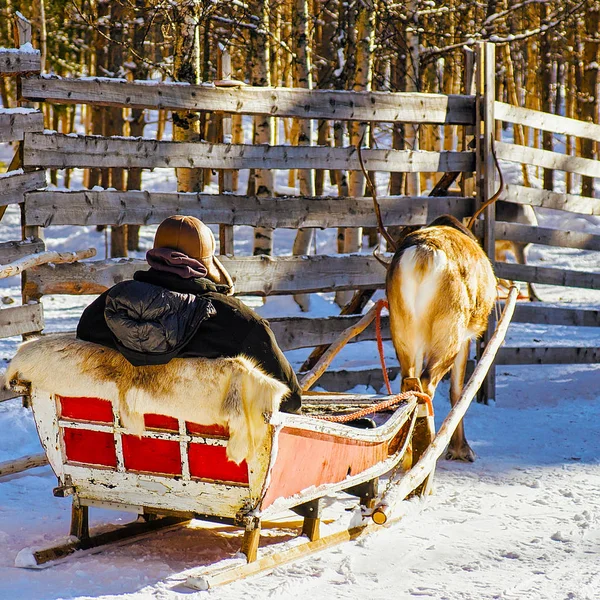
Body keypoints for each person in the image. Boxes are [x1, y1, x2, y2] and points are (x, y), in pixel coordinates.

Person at [76, 215, 302, 413]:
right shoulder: (238, 322)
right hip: (216, 450)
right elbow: (289, 400)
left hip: (122, 438)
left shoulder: (103, 309)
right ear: (205, 262)